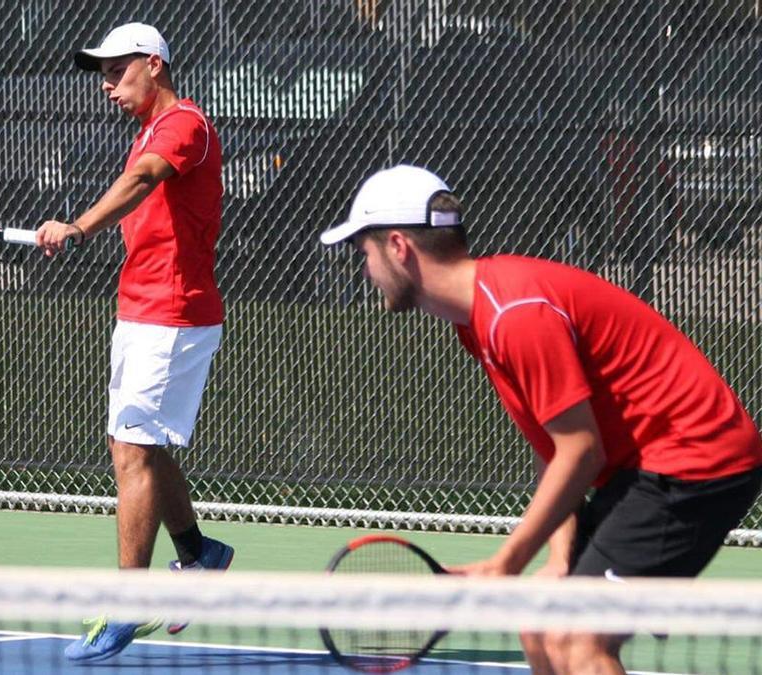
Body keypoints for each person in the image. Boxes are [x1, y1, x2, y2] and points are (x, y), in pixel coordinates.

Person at [319, 165, 762, 674]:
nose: (364, 269)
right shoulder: (481, 320)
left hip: (698, 464)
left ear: (399, 247)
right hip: (646, 466)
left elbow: (580, 450)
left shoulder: (515, 315)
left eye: (364, 252)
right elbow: (555, 451)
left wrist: (506, 563)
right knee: (540, 621)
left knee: (577, 641)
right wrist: (555, 561)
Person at [34, 22, 234, 663]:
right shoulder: (149, 128)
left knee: (133, 454)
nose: (107, 84)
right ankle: (201, 554)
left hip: (173, 314)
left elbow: (145, 179)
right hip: (142, 311)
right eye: (102, 73)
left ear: (154, 65)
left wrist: (80, 224)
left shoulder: (183, 126)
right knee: (138, 446)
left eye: (118, 70)